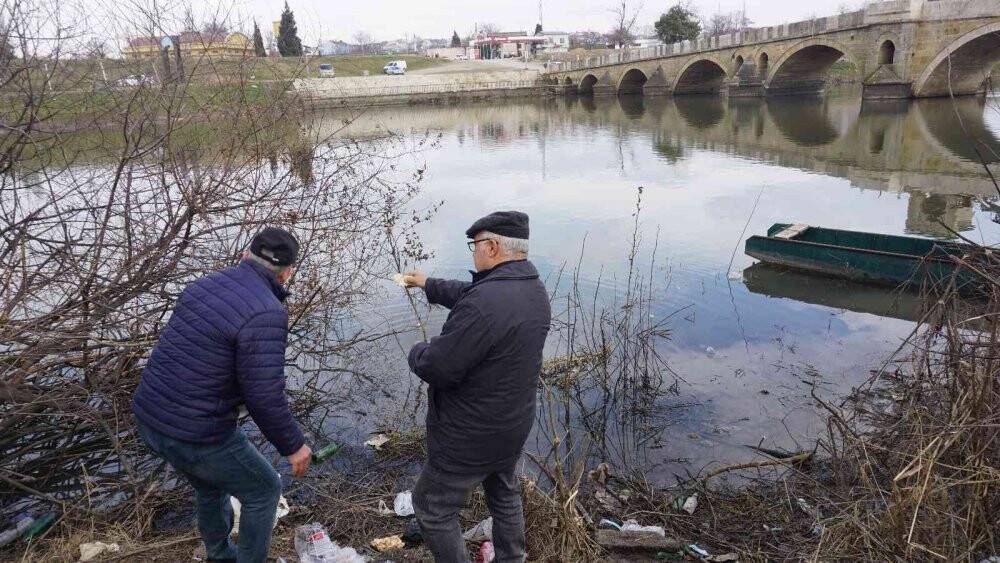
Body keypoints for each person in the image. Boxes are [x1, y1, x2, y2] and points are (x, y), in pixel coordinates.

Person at [132, 227, 311, 563]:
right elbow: (264, 394)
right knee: (264, 490)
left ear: (244, 256)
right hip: (196, 433)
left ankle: (219, 555)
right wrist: (293, 445)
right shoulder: (267, 312)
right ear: (287, 275)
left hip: (150, 418)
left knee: (209, 484)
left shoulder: (202, 285)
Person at [403, 211, 552, 563]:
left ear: (493, 246)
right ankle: (512, 558)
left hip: (469, 436)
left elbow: (438, 366)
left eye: (475, 246)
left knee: (432, 507)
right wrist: (428, 284)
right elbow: (471, 294)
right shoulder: (532, 289)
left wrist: (416, 351)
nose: (473, 253)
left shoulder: (485, 303)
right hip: (511, 426)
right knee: (504, 491)